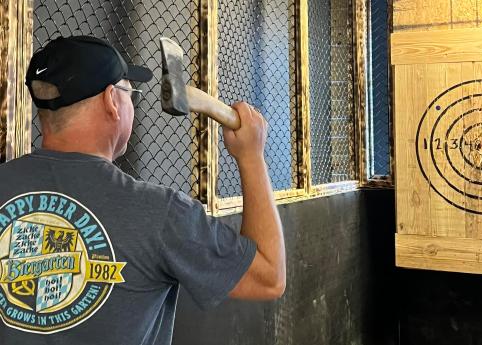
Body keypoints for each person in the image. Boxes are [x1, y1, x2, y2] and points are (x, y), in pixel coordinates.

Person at [0, 35, 285, 344]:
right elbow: (268, 277)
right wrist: (252, 156)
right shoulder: (159, 212)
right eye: (130, 92)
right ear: (112, 101)